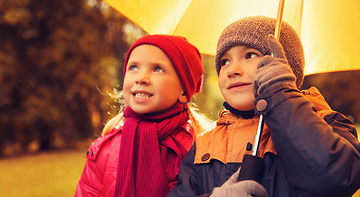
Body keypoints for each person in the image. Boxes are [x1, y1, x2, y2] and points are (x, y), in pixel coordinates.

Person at [167, 16, 360, 197]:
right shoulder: (205, 143)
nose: (232, 70)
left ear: (285, 67)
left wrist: (281, 96)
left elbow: (335, 179)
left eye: (250, 55)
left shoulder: (328, 122)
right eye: (224, 61)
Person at [75, 34, 207, 197]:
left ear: (183, 91)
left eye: (158, 69)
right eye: (133, 67)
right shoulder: (104, 150)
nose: (141, 78)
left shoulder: (199, 149)